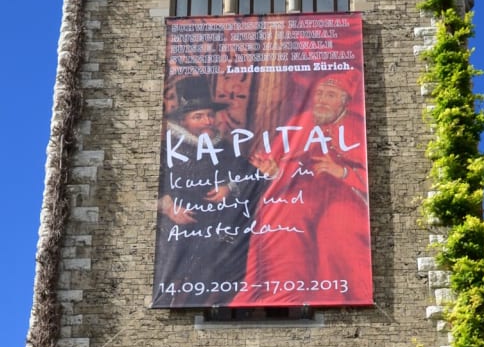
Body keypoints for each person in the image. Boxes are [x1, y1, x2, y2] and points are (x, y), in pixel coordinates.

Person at [237, 71, 371, 307]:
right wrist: (273, 170)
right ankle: (280, 295)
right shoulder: (304, 121)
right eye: (319, 93)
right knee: (278, 218)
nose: (321, 99)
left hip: (342, 193)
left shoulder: (355, 125)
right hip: (301, 191)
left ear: (344, 101)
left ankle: (333, 298)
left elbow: (367, 174)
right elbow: (279, 161)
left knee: (336, 228)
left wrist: (342, 172)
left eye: (330, 95)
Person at [153, 75, 265, 307]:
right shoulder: (166, 148)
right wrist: (166, 206)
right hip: (176, 235)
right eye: (198, 117)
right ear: (183, 121)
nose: (207, 121)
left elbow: (254, 176)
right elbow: (141, 191)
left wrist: (230, 187)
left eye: (209, 115)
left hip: (216, 235)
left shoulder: (222, 147)